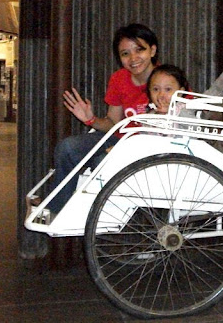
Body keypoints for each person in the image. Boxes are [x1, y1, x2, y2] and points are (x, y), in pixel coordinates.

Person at [46, 23, 159, 213]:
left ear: (152, 50)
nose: (133, 58)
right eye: (125, 53)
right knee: (67, 148)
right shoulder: (119, 79)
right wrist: (91, 120)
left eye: (139, 50)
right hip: (120, 139)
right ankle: (59, 210)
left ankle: (92, 217)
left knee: (102, 162)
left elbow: (174, 125)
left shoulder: (167, 79)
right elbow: (114, 124)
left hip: (150, 146)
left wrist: (126, 147)